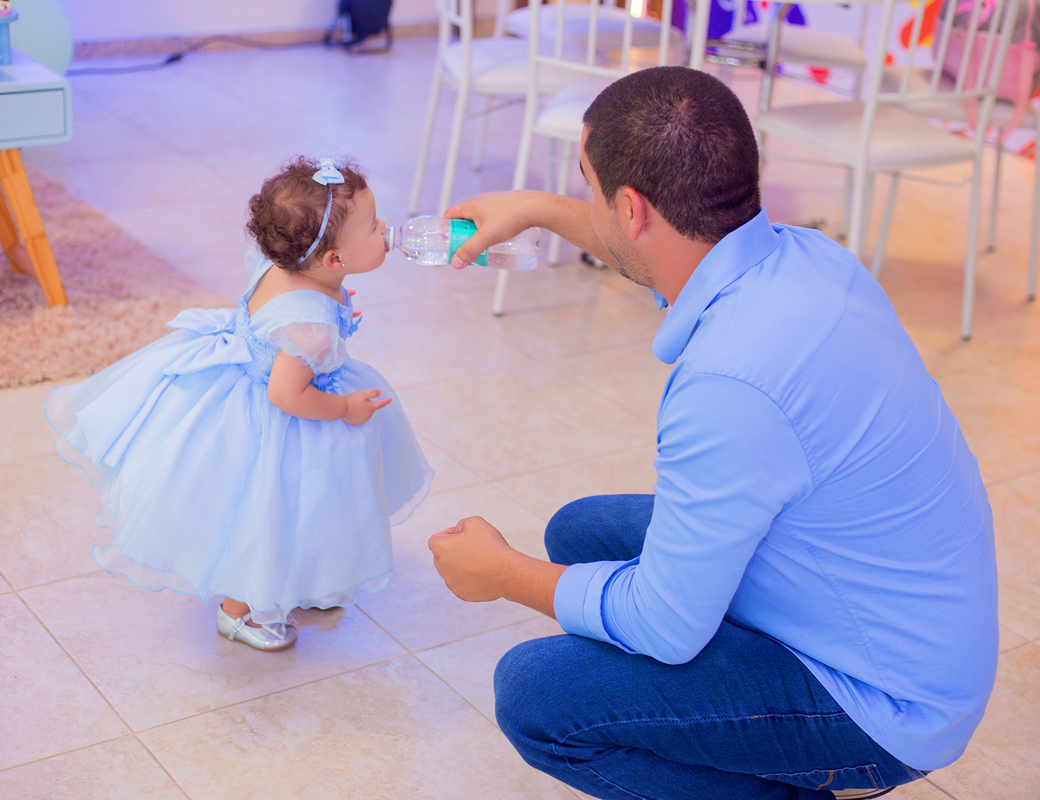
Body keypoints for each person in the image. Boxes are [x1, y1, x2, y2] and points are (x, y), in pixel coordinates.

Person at [427, 67, 997, 799]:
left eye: (588, 188)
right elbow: (665, 256)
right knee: (584, 532)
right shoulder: (808, 257)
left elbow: (665, 627)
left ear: (630, 208)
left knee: (538, 695)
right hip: (905, 619)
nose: (589, 206)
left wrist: (501, 574)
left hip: (886, 705)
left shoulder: (731, 387)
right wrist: (538, 209)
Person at [47, 156, 433, 652]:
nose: (388, 230)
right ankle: (241, 611)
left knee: (311, 513)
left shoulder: (285, 263)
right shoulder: (310, 327)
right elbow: (286, 393)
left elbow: (286, 304)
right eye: (375, 226)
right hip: (285, 418)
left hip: (257, 381)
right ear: (334, 260)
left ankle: (305, 578)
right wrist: (344, 409)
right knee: (269, 512)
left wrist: (330, 297)